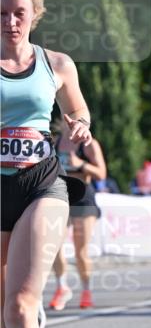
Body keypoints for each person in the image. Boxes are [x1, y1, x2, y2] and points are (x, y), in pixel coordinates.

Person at [1, 0, 91, 328]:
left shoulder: (55, 63)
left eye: (19, 12)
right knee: (4, 316)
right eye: (2, 13)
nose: (11, 21)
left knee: (20, 305)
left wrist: (79, 126)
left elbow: (79, 111)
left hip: (41, 183)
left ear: (35, 14)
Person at [48, 119, 107, 310]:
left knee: (80, 250)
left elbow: (101, 173)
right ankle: (62, 287)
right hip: (61, 196)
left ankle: (86, 290)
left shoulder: (88, 143)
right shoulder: (55, 142)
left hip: (83, 198)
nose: (71, 122)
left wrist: (81, 165)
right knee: (54, 245)